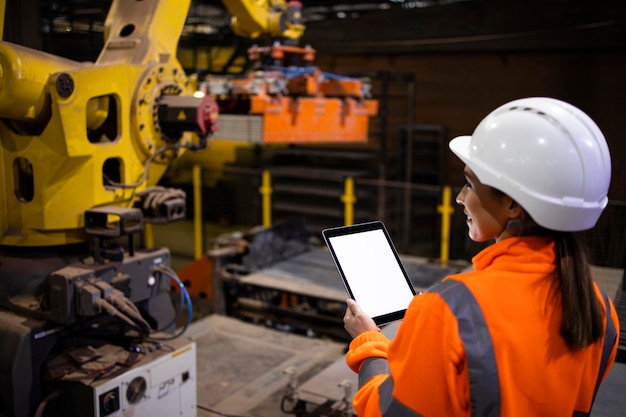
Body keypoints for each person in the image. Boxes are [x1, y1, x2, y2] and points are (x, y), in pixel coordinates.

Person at [343, 97, 620, 417]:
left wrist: (369, 343)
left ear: (513, 205)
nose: (460, 198)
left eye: (470, 184)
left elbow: (385, 412)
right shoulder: (599, 309)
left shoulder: (449, 310)